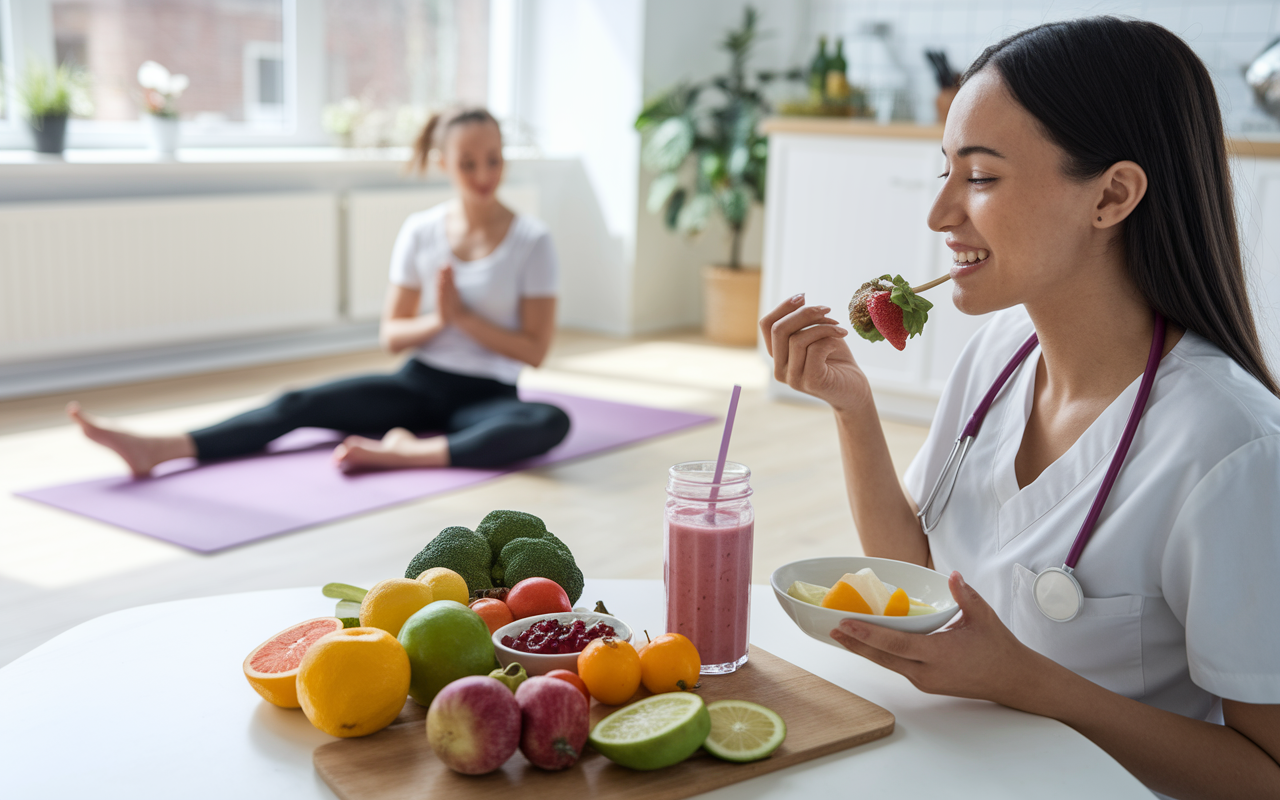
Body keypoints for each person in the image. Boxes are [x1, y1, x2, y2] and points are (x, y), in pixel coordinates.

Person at [761, 18, 1280, 800]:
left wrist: (1028, 682)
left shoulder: (1232, 448)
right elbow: (919, 577)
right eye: (945, 171)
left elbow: (1266, 774)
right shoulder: (999, 354)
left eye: (980, 177)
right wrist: (853, 411)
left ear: (1112, 195)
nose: (939, 215)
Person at [69, 106, 570, 475]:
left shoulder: (532, 240)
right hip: (418, 384)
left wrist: (464, 318)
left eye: (494, 160)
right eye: (468, 163)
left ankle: (404, 455)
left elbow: (535, 350)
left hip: (489, 396)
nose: (483, 175)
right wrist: (440, 321)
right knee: (297, 402)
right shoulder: (422, 231)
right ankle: (162, 448)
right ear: (443, 163)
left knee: (549, 421)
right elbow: (393, 335)